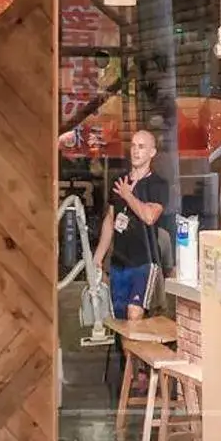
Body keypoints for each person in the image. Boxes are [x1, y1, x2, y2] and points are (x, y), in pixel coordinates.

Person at [92, 127, 168, 320]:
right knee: (120, 321)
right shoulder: (119, 181)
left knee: (134, 313)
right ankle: (129, 352)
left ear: (152, 152)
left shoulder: (157, 184)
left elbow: (150, 216)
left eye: (141, 147)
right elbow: (110, 221)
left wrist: (128, 195)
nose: (135, 151)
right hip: (119, 262)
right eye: (133, 146)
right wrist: (98, 258)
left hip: (144, 261)